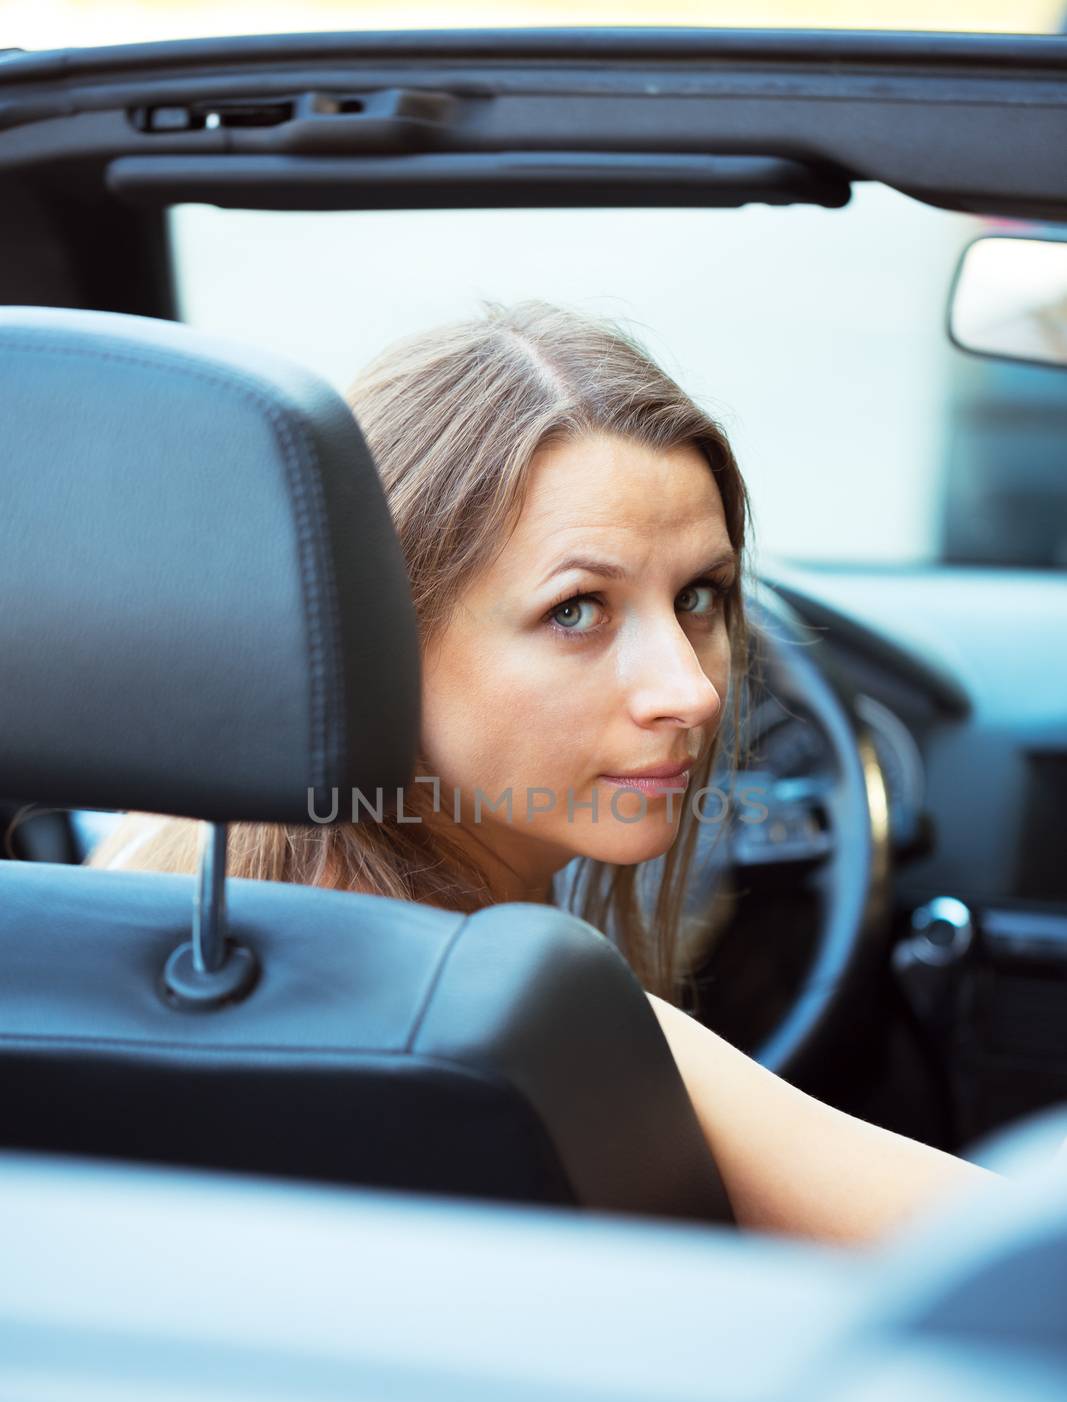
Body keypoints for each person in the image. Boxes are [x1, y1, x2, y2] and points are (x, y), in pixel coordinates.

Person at [88, 299, 999, 1248]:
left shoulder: (117, 904)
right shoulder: (557, 1036)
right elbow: (1019, 1275)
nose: (686, 691)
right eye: (576, 611)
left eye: (699, 597)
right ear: (375, 638)